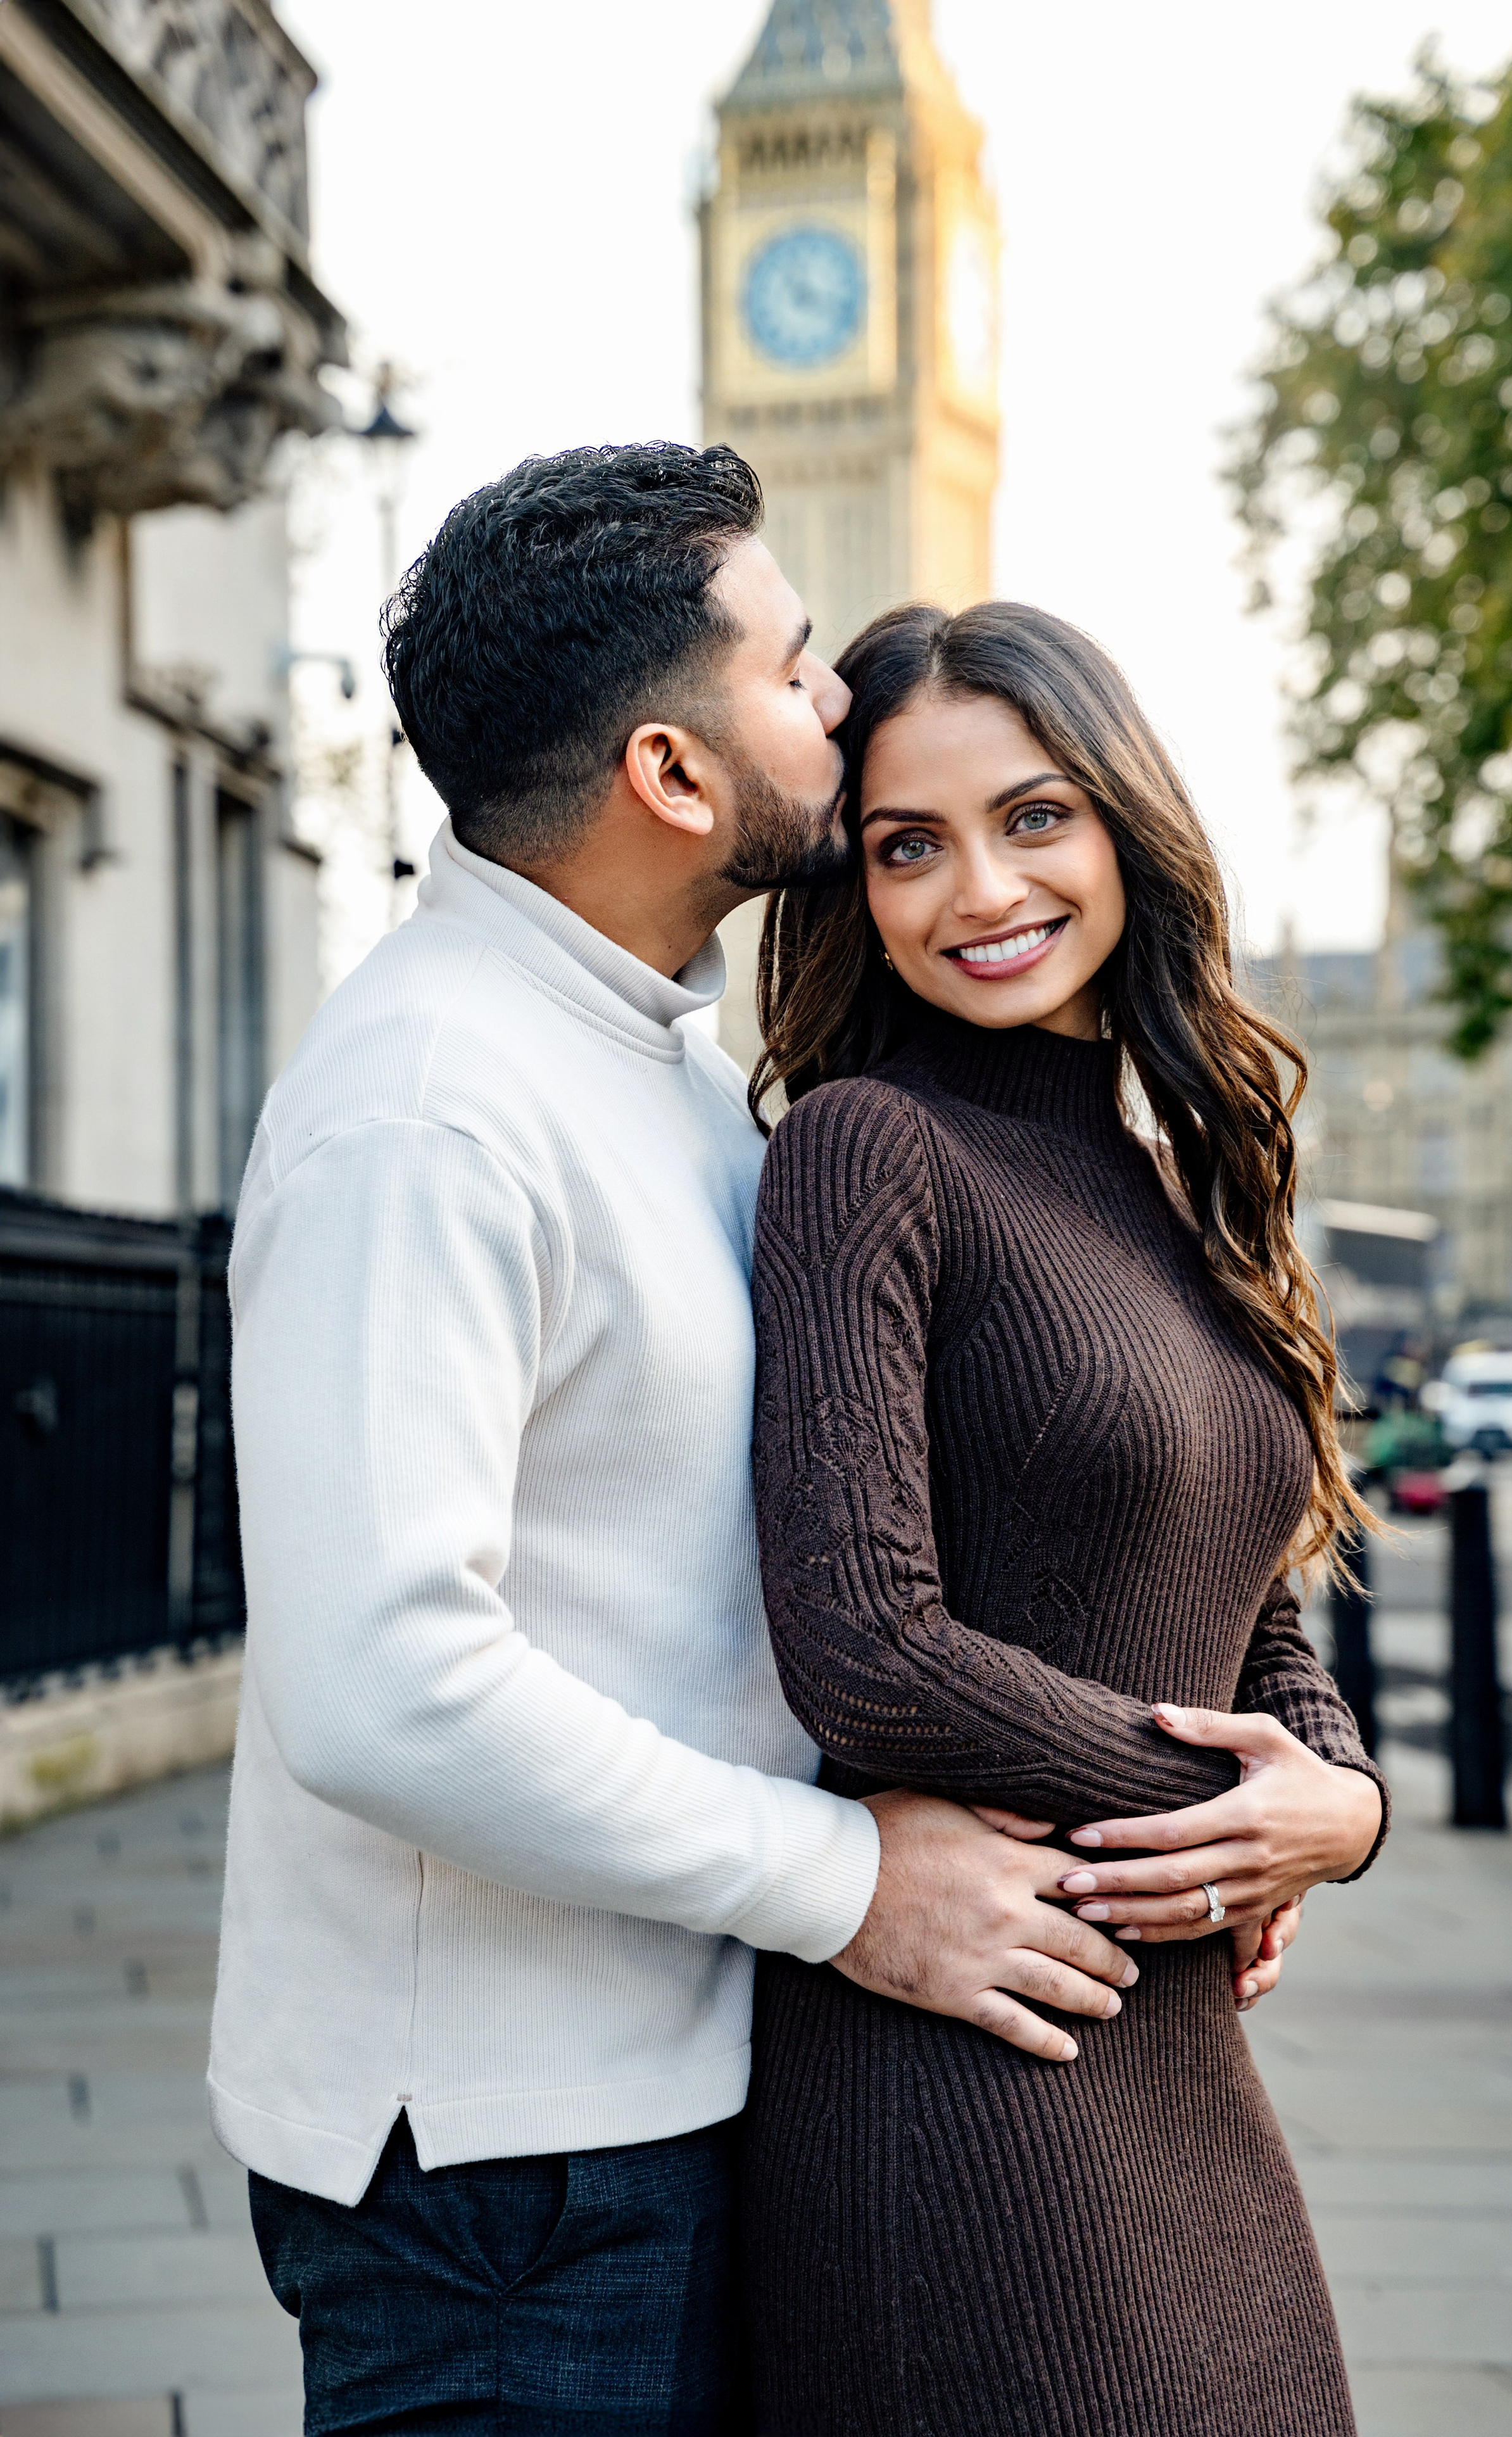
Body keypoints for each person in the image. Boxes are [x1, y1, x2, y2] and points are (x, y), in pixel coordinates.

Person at [207, 445, 1139, 2437]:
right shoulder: (432, 1104)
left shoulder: (658, 1064)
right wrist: (846, 1882)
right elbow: (380, 1689)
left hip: (665, 2100)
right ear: (673, 776)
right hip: (500, 2181)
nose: (838, 701)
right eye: (796, 669)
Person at [742, 600, 1390, 2437]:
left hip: (1174, 2063)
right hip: (968, 2075)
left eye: (1034, 817)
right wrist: (1229, 1813)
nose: (978, 888)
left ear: (1123, 821)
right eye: (905, 845)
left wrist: (1336, 1801)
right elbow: (866, 1651)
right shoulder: (865, 1149)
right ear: (849, 886)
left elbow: (1243, 1597)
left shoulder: (1181, 1184)